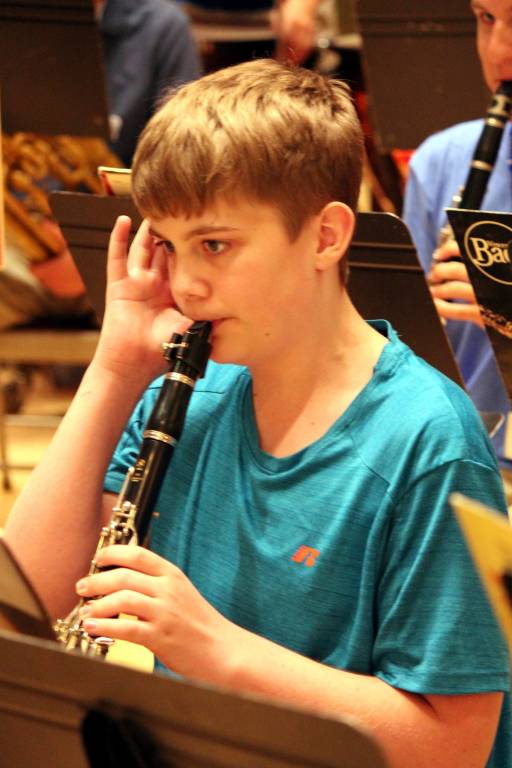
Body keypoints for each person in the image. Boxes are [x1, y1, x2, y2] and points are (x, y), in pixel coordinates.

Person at [5, 60, 511, 768]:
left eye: (215, 245)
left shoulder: (427, 439)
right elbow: (28, 596)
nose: (185, 284)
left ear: (327, 236)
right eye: (168, 246)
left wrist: (215, 649)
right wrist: (115, 367)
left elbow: (453, 747)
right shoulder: (191, 388)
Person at [402, 0, 512, 469]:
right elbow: (402, 351)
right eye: (486, 19)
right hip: (460, 463)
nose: (499, 51)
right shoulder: (440, 161)